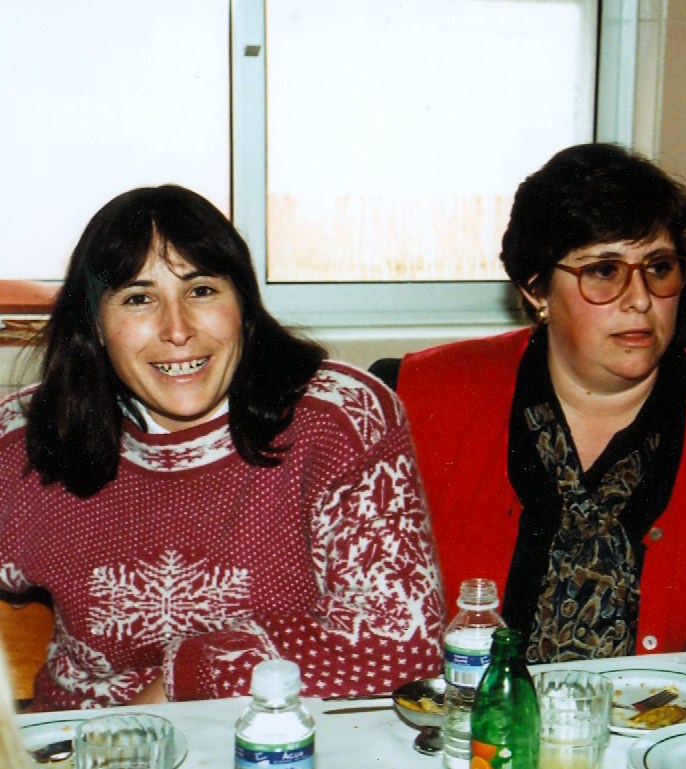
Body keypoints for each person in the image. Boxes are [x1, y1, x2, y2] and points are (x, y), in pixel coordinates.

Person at [0, 185, 445, 711]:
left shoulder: (340, 419)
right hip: (83, 733)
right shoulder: (26, 435)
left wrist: (183, 682)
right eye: (139, 298)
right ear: (95, 323)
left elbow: (400, 642)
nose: (177, 330)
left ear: (243, 304)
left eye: (202, 290)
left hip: (279, 731)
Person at [393, 143, 686, 663]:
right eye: (605, 271)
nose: (640, 299)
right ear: (537, 289)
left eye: (659, 267)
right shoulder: (420, 397)